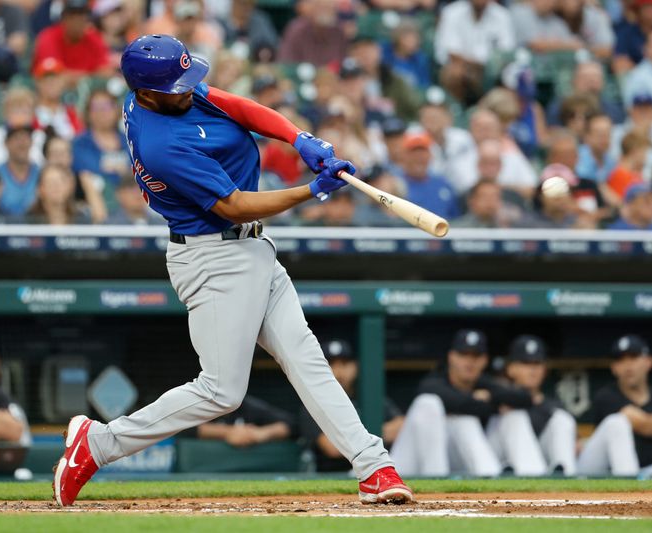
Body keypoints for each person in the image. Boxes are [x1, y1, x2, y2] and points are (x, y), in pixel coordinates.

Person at [54, 34, 413, 507]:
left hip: (252, 250)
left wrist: (298, 137)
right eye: (178, 85)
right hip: (213, 259)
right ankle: (99, 444)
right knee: (222, 391)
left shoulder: (168, 92)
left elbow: (235, 105)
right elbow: (235, 205)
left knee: (306, 359)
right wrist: (313, 191)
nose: (189, 89)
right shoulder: (160, 142)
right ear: (147, 91)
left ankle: (374, 467)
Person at [391, 329, 540, 477]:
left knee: (513, 415)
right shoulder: (434, 381)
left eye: (475, 356)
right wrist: (482, 403)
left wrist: (490, 396)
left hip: (456, 462)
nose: (469, 362)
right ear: (451, 357)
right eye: (463, 355)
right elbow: (457, 402)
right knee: (428, 403)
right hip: (409, 464)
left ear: (484, 360)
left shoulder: (484, 384)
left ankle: (531, 479)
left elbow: (524, 398)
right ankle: (436, 476)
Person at [299, 339, 405, 472]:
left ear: (354, 366)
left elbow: (402, 426)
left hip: (381, 466)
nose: (339, 371)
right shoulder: (313, 403)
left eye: (344, 363)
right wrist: (375, 434)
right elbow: (333, 448)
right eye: (331, 364)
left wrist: (353, 437)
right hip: (338, 475)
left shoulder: (366, 397)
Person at [577, 334, 652, 476]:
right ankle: (629, 491)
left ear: (649, 362)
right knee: (616, 422)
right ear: (614, 367)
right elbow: (644, 425)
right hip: (608, 474)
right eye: (621, 360)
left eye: (634, 357)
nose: (628, 366)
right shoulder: (607, 397)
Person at [502, 335, 577, 475]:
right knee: (515, 416)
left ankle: (567, 480)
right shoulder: (499, 394)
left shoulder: (553, 404)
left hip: (541, 459)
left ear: (544, 369)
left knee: (561, 418)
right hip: (499, 458)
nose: (532, 370)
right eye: (525, 363)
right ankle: (535, 483)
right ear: (511, 368)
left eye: (537, 363)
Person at [435, 0, 515, 105]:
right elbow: (451, 53)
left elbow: (506, 52)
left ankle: (489, 111)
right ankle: (457, 111)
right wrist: (476, 63)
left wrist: (485, 65)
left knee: (512, 75)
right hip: (462, 67)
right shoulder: (452, 12)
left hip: (492, 71)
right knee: (453, 72)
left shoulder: (502, 15)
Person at [32, 0, 113, 85]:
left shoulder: (94, 38)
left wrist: (72, 77)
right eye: (72, 16)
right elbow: (52, 76)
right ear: (63, 18)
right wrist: (91, 76)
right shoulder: (48, 37)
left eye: (81, 16)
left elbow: (106, 73)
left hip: (88, 93)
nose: (77, 21)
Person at [72, 89, 127, 189]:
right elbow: (88, 170)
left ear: (116, 110)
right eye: (96, 107)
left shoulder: (129, 140)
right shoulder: (81, 143)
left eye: (107, 106)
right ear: (88, 113)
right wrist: (121, 169)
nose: (102, 111)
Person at [398, 132, 459, 220]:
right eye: (413, 152)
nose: (419, 157)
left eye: (423, 152)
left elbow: (456, 218)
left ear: (430, 156)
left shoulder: (443, 184)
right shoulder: (395, 184)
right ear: (404, 156)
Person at [197, 395, 295, 448]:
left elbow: (291, 424)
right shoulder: (199, 405)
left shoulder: (248, 406)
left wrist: (262, 433)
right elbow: (185, 427)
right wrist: (227, 432)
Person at [277, 0, 348, 67]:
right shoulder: (297, 30)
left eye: (329, 9)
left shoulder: (338, 31)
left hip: (332, 78)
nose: (325, 13)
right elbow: (285, 64)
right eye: (321, 8)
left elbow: (343, 63)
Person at [23, 164, 92, 225]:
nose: (57, 187)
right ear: (40, 189)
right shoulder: (29, 221)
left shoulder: (80, 219)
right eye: (51, 183)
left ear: (69, 187)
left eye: (61, 182)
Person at [0, 123, 42, 216]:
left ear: (32, 142)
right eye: (16, 138)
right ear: (6, 143)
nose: (22, 143)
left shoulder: (41, 174)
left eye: (26, 138)